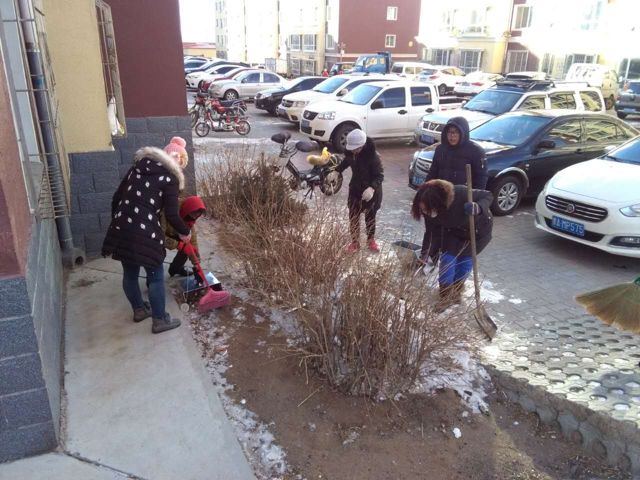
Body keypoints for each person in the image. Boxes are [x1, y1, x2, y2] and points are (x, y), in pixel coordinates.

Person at [102, 138, 191, 334]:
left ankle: (139, 310)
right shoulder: (170, 179)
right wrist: (185, 232)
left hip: (122, 227)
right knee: (156, 276)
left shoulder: (137, 168)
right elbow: (172, 215)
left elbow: (116, 198)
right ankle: (160, 320)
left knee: (130, 273)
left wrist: (121, 221)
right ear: (175, 161)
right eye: (181, 162)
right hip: (145, 230)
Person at [411, 179, 493, 312]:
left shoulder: (460, 193)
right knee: (447, 260)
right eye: (422, 209)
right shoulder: (429, 210)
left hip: (477, 232)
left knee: (464, 262)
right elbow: (431, 233)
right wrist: (426, 254)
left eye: (427, 209)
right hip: (453, 231)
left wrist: (478, 207)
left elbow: (488, 195)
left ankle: (456, 293)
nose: (425, 212)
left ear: (437, 202)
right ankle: (445, 297)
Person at [422, 116, 488, 265]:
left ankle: (449, 264)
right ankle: (427, 258)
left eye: (455, 132)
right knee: (432, 229)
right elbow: (433, 173)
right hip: (440, 199)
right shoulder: (441, 149)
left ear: (463, 133)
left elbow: (481, 180)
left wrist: (474, 202)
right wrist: (425, 194)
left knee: (452, 235)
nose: (452, 136)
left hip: (460, 201)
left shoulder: (475, 152)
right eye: (449, 132)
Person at [335, 129, 384, 253]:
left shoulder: (373, 157)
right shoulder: (351, 154)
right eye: (352, 149)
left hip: (371, 191)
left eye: (356, 149)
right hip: (355, 189)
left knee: (370, 217)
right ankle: (355, 242)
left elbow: (379, 176)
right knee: (353, 216)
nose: (354, 151)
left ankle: (371, 240)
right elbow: (346, 162)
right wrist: (336, 171)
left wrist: (372, 188)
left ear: (363, 145)